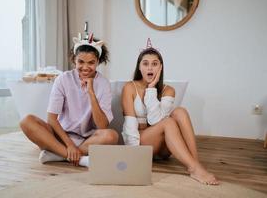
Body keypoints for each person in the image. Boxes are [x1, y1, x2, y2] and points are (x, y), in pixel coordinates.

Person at [121, 38, 218, 185]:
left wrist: (152, 88)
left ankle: (196, 163)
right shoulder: (130, 87)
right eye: (145, 64)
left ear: (161, 67)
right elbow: (130, 124)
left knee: (180, 112)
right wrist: (134, 154)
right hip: (142, 144)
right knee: (168, 122)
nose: (150, 68)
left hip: (163, 149)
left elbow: (155, 120)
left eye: (155, 64)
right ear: (139, 67)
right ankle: (194, 168)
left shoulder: (169, 90)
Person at [20, 33, 119, 167]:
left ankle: (57, 154)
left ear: (98, 62)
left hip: (87, 140)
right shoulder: (63, 79)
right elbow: (52, 120)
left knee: (111, 136)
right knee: (27, 121)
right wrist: (69, 145)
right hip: (60, 136)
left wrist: (91, 92)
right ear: (74, 60)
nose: (85, 67)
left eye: (91, 62)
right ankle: (80, 158)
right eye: (81, 62)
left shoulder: (103, 84)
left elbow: (102, 126)